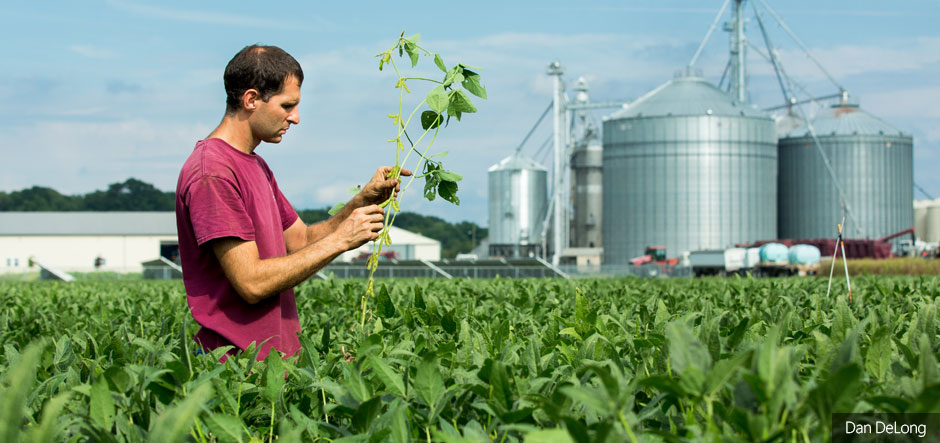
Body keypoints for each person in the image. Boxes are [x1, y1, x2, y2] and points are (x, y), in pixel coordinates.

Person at [175, 44, 409, 360]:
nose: (295, 118)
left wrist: (359, 202)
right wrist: (341, 241)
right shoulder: (212, 172)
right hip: (235, 371)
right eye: (287, 105)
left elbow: (300, 241)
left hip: (273, 365)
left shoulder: (254, 165)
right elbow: (251, 282)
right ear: (251, 100)